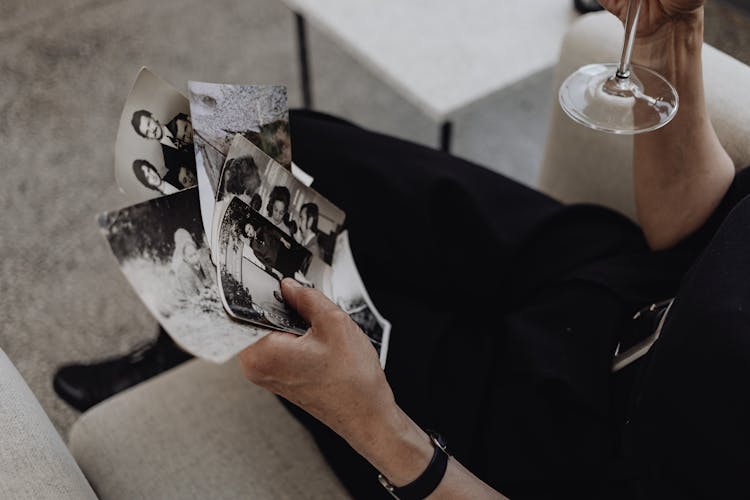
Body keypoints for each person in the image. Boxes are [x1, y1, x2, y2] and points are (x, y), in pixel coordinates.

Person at [56, 1, 748, 496]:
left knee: (277, 294)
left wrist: (381, 430)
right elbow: (704, 224)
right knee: (253, 150)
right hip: (604, 275)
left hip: (560, 449)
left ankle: (195, 332)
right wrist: (671, 45)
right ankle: (177, 338)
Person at [131, 109, 196, 183]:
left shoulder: (179, 119)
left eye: (149, 123)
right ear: (148, 137)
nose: (152, 130)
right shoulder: (169, 162)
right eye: (147, 132)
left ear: (153, 118)